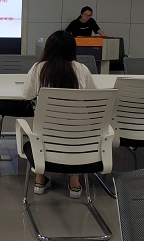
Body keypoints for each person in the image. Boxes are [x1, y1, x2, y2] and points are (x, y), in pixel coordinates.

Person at [21, 30, 96, 199]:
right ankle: (74, 182)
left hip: (47, 136)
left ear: (48, 48)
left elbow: (26, 95)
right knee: (72, 135)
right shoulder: (82, 69)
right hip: (79, 139)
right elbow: (92, 96)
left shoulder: (38, 68)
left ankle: (40, 179)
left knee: (40, 135)